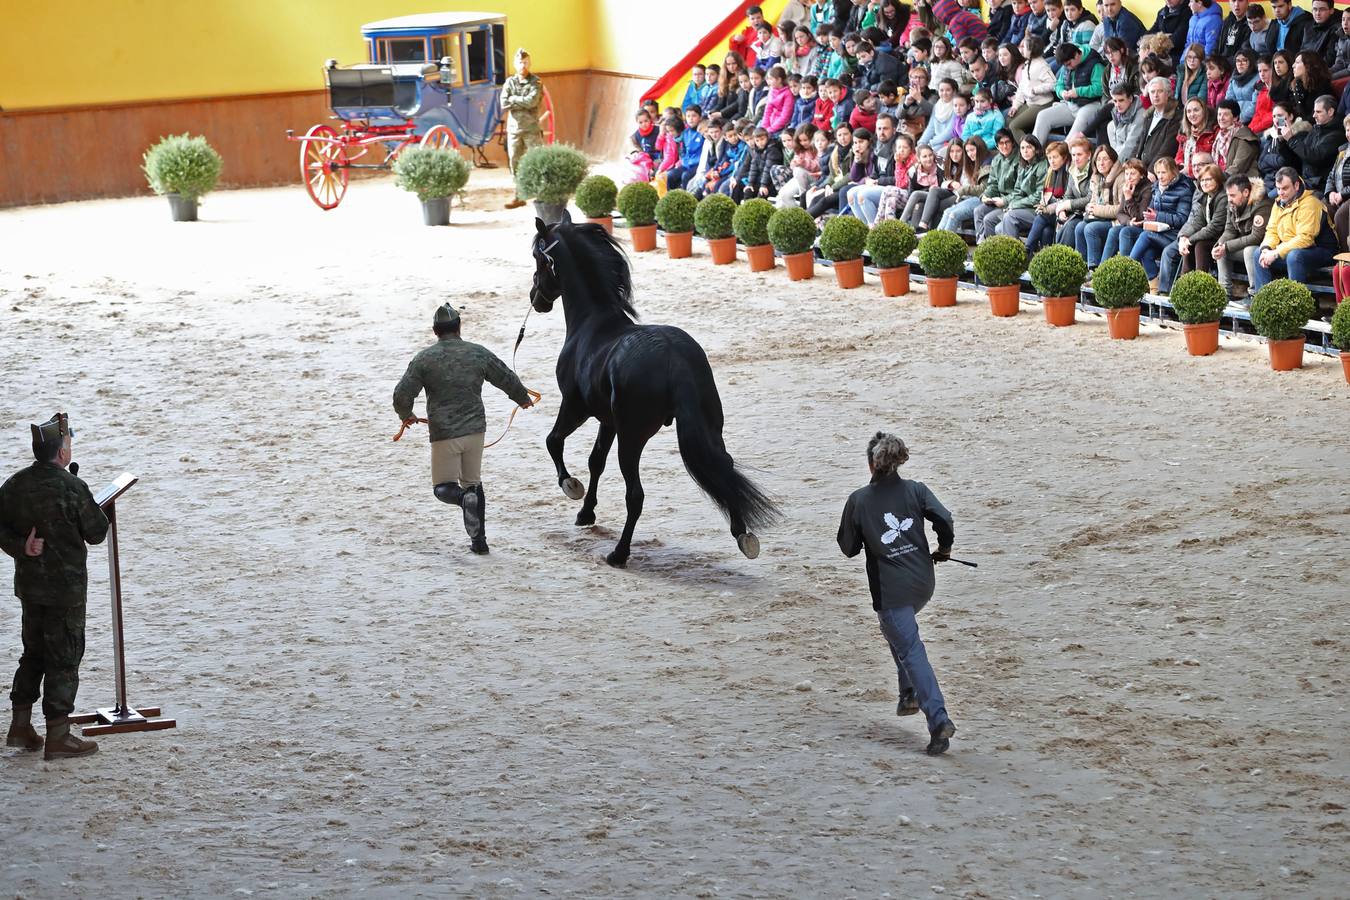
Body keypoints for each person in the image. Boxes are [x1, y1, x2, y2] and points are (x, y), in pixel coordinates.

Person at [836, 432, 957, 757]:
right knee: (899, 635)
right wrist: (943, 549)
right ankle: (908, 694)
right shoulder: (916, 489)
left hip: (891, 591)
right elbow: (944, 519)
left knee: (910, 647)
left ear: (870, 464)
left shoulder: (859, 500)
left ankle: (938, 719)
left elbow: (848, 548)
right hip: (923, 583)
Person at [1, 412, 108, 760]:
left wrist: (21, 547)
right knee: (64, 657)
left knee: (32, 652)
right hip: (65, 591)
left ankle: (20, 728)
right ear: (62, 453)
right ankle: (59, 736)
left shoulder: (14, 485)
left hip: (30, 588)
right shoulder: (72, 487)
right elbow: (96, 533)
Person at [393, 304, 536, 555]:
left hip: (444, 433)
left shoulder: (424, 359)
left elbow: (401, 394)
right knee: (474, 484)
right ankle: (479, 543)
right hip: (475, 432)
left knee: (443, 487)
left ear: (435, 330)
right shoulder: (477, 353)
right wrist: (522, 398)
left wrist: (407, 415)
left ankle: (461, 499)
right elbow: (505, 376)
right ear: (459, 327)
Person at [1249, 166, 1339, 288]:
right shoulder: (1278, 202)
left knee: (1294, 256)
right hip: (1292, 249)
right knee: (1258, 253)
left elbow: (1305, 239)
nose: (1281, 193)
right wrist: (1266, 248)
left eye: (1285, 188)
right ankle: (1262, 301)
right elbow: (1272, 231)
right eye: (1278, 188)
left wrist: (1276, 253)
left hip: (1322, 251)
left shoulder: (1310, 203)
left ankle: (1295, 303)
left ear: (1296, 186)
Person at [1158, 163, 1228, 291]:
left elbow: (1215, 227)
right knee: (1190, 245)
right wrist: (1184, 238)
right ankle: (1185, 287)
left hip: (1223, 237)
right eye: (1202, 180)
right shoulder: (1205, 196)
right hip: (1210, 235)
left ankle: (1200, 288)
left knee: (1200, 245)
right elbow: (1197, 222)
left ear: (1217, 179)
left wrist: (1190, 239)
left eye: (1208, 179)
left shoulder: (1223, 197)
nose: (1204, 183)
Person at [1213, 173, 1272, 300]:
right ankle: (1223, 294)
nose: (1229, 199)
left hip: (1266, 249)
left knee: (1250, 250)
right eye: (1228, 195)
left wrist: (1227, 246)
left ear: (1245, 192)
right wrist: (1219, 245)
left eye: (1233, 195)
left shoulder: (1262, 204)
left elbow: (1256, 237)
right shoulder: (1233, 204)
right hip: (1246, 246)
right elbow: (1229, 231)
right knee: (1222, 251)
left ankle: (1254, 294)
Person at [502, 49, 547, 210]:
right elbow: (503, 103)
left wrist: (513, 99)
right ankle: (519, 195)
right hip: (514, 129)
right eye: (520, 62)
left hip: (531, 129)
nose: (523, 65)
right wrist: (518, 101)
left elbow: (532, 101)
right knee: (515, 162)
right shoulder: (509, 82)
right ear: (515, 64)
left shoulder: (536, 82)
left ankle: (543, 194)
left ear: (530, 63)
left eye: (526, 62)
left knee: (537, 160)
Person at [1034, 42, 1106, 143]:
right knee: (1043, 116)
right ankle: (1034, 152)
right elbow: (1058, 85)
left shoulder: (1095, 63)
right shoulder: (1067, 63)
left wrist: (1079, 92)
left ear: (1077, 55)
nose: (1068, 67)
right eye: (1065, 65)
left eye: (1068, 64)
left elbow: (1100, 88)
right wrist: (1062, 93)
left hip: (1091, 105)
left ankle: (1063, 153)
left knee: (1072, 137)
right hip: (1071, 104)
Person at [1286, 94, 1342, 191]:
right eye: (1314, 111)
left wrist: (1292, 140)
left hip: (1320, 186)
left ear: (1330, 112)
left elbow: (1314, 157)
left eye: (1318, 112)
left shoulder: (1337, 135)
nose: (1314, 115)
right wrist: (1282, 141)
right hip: (1306, 181)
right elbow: (1301, 153)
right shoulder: (1316, 128)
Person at [1137, 76, 1183, 170]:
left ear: (1168, 93)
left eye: (1160, 91)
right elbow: (1139, 143)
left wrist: (1152, 170)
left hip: (1159, 170)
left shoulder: (1176, 116)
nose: (1155, 95)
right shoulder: (1148, 116)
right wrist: (1132, 164)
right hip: (1142, 168)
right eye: (1152, 92)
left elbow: (1168, 148)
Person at [1212, 99, 1260, 175]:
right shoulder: (1219, 136)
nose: (1221, 118)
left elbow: (1238, 167)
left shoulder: (1245, 137)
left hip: (1242, 182)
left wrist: (1219, 179)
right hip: (1224, 180)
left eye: (1226, 115)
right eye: (1219, 114)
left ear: (1235, 118)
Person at [1148, 0, 1193, 64]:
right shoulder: (1161, 12)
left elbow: (1176, 40)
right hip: (1160, 54)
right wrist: (1163, 37)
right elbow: (1149, 34)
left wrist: (1158, 39)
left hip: (1177, 56)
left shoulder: (1188, 13)